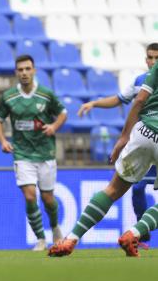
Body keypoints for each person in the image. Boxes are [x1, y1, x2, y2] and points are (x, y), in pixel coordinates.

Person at [50, 57, 158, 257]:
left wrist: (124, 137)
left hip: (143, 132)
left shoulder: (155, 69)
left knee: (112, 190)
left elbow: (140, 100)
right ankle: (134, 234)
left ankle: (71, 239)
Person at [77, 43, 158, 242]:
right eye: (150, 57)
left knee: (119, 188)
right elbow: (119, 99)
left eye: (157, 57)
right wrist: (95, 103)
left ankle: (137, 233)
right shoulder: (140, 81)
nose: (153, 61)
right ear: (145, 59)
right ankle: (140, 234)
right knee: (137, 189)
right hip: (145, 141)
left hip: (144, 139)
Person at [0, 55, 67, 251]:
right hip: (22, 154)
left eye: (27, 69)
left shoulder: (46, 94)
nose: (24, 73)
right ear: (16, 72)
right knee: (29, 196)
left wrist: (54, 126)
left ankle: (55, 227)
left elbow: (63, 113)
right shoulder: (9, 96)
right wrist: (2, 140)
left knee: (48, 199)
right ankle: (41, 239)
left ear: (34, 70)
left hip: (45, 153)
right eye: (20, 69)